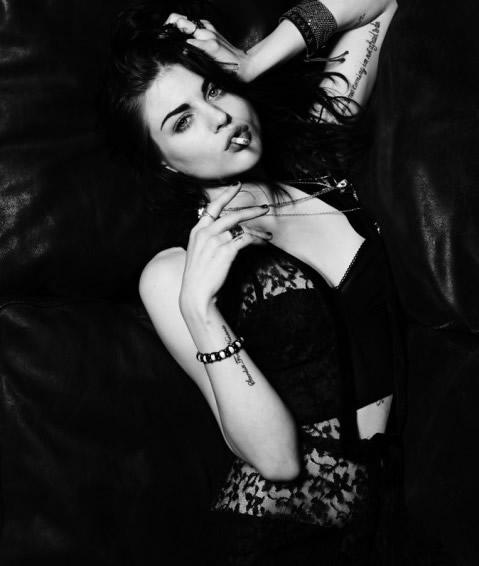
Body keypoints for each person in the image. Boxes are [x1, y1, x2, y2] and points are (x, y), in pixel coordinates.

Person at [107, 0, 399, 563]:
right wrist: (201, 313)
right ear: (165, 162)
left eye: (214, 90)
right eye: (182, 121)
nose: (217, 117)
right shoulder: (175, 274)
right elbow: (275, 461)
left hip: (390, 520)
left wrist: (251, 60)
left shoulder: (318, 164)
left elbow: (380, 4)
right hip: (278, 538)